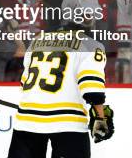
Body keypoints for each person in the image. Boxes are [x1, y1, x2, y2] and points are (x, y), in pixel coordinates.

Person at [7, 14, 114, 157]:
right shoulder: (90, 45)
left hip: (27, 120)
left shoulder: (36, 42)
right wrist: (100, 118)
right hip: (68, 123)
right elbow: (92, 91)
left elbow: (24, 83)